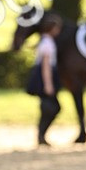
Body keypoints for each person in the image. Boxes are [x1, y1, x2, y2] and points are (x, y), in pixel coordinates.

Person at [26, 14, 62, 146]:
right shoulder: (47, 43)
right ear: (52, 28)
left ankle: (41, 135)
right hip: (44, 77)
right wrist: (48, 84)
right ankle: (41, 134)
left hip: (43, 76)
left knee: (48, 106)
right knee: (51, 106)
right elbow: (46, 65)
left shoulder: (44, 41)